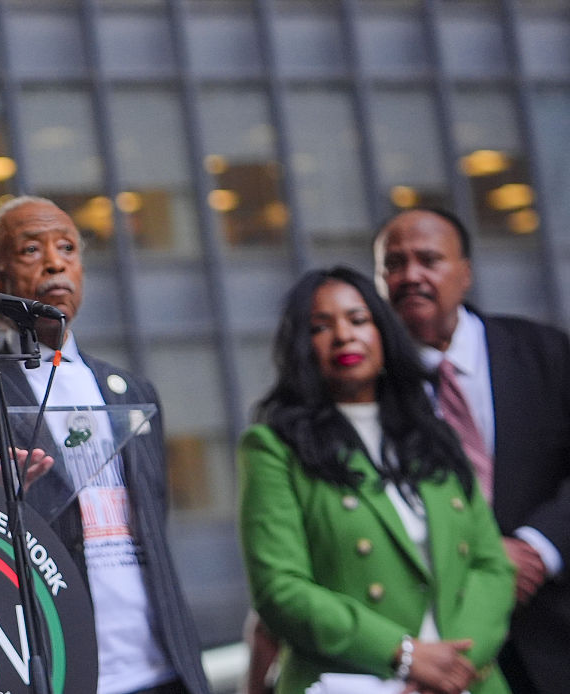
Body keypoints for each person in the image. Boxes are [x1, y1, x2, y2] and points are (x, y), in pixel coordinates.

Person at [0, 195, 211, 694]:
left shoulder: (133, 392)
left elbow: (155, 520)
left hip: (165, 668)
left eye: (68, 248)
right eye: (32, 250)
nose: (56, 262)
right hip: (55, 669)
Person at [237, 266, 513, 694]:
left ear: (384, 334)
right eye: (320, 327)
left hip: (465, 682)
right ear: (300, 349)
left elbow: (491, 565)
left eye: (358, 320)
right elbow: (280, 589)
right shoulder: (274, 448)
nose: (344, 335)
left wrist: (449, 667)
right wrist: (405, 656)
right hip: (351, 680)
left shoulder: (433, 435)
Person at [374, 207, 570, 694]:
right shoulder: (368, 391)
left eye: (428, 259)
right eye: (394, 264)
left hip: (558, 625)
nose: (410, 275)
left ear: (466, 273)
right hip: (444, 650)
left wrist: (535, 549)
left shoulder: (547, 353)